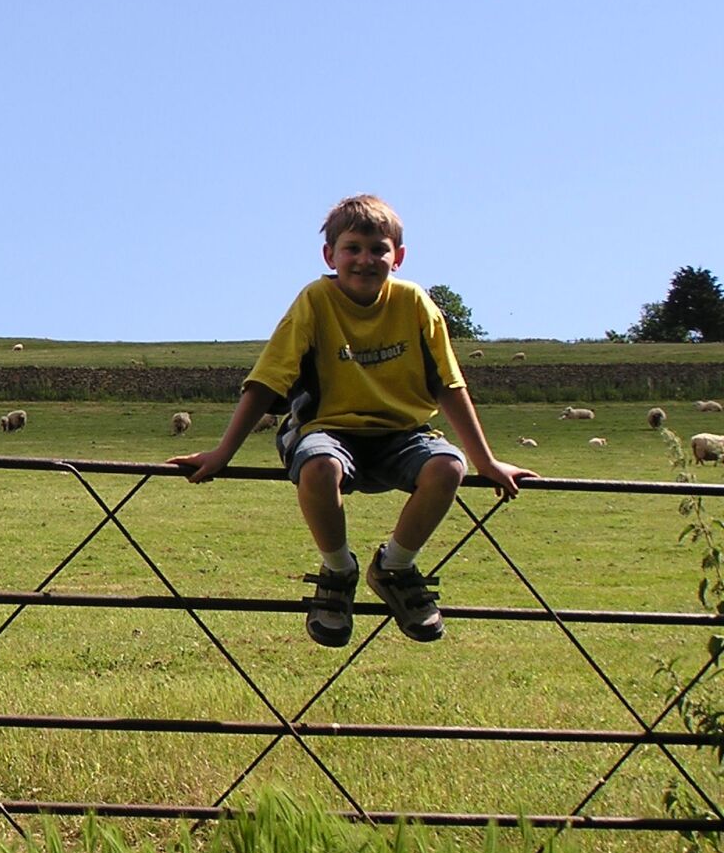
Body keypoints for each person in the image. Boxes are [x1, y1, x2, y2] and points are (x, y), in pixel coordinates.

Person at [169, 194, 535, 647]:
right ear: (330, 255)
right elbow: (266, 380)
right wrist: (223, 452)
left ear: (398, 257)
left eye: (378, 249)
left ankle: (395, 567)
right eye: (352, 248)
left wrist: (488, 462)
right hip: (327, 430)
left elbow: (449, 384)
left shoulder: (414, 302)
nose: (365, 259)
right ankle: (338, 573)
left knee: (448, 467)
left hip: (402, 434)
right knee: (320, 466)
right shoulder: (315, 300)